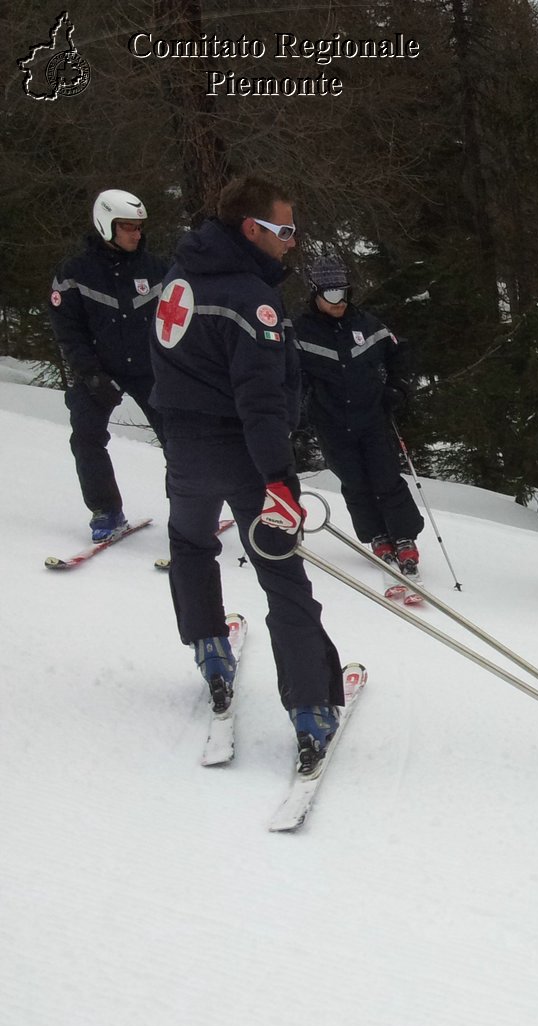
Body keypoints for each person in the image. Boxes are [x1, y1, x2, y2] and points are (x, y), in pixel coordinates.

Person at [149, 174, 345, 773]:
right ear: (251, 229)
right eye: (284, 230)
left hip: (183, 447)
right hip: (241, 455)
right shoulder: (250, 301)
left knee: (189, 542)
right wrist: (281, 481)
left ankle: (209, 646)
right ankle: (311, 708)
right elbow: (260, 403)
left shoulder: (177, 277)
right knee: (282, 574)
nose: (292, 242)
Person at [48, 188, 168, 541]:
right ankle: (107, 510)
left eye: (139, 227)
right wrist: (90, 374)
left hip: (152, 370)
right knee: (85, 436)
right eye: (128, 227)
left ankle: (191, 515)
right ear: (106, 226)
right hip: (100, 370)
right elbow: (68, 331)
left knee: (179, 439)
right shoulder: (74, 273)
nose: (136, 234)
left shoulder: (160, 270)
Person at [292, 255, 423, 575]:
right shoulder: (300, 332)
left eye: (345, 293)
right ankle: (377, 536)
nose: (340, 302)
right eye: (333, 295)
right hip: (332, 422)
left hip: (372, 417)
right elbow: (291, 374)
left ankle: (404, 537)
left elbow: (399, 354)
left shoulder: (367, 324)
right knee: (354, 481)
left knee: (386, 477)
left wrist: (398, 388)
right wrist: (297, 408)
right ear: (316, 294)